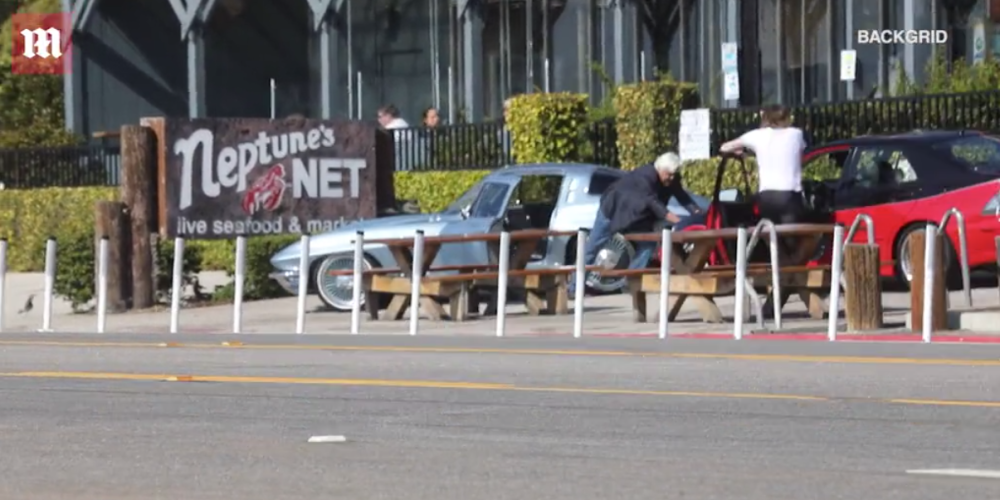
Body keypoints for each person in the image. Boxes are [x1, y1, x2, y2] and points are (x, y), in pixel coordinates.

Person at [570, 152, 701, 294]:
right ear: (660, 169)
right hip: (613, 210)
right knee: (592, 248)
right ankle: (575, 287)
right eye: (669, 174)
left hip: (637, 216)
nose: (671, 178)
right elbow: (654, 203)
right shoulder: (646, 176)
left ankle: (631, 283)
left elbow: (682, 196)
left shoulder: (671, 178)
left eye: (674, 174)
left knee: (647, 245)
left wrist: (697, 213)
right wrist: (677, 220)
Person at [719, 104, 806, 224]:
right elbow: (800, 153)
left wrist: (743, 152)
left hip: (766, 196)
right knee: (793, 236)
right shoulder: (796, 134)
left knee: (769, 232)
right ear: (786, 118)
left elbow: (724, 147)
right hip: (789, 195)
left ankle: (772, 243)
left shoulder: (757, 135)